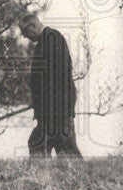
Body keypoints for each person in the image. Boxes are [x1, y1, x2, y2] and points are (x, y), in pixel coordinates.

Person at [18, 13, 83, 158]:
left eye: (25, 32)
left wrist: (49, 112)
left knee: (64, 149)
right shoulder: (48, 39)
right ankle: (46, 178)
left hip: (56, 110)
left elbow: (55, 78)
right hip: (53, 110)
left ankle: (86, 178)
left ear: (33, 26)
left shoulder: (51, 38)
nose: (25, 37)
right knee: (42, 145)